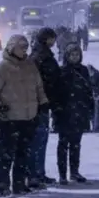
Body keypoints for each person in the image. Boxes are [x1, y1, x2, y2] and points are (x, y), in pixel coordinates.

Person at [0, 34, 48, 196]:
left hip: (29, 117)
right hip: (9, 118)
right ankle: (3, 184)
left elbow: (39, 88)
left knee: (23, 153)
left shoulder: (30, 66)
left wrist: (43, 102)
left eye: (26, 47)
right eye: (21, 47)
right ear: (12, 48)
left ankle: (19, 184)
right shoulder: (2, 68)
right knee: (6, 154)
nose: (24, 50)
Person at [57, 43, 95, 184]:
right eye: (72, 55)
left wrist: (90, 108)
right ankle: (62, 174)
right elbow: (57, 92)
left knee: (76, 144)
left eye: (77, 54)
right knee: (63, 144)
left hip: (80, 111)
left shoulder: (83, 70)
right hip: (65, 112)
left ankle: (74, 171)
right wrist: (58, 109)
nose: (75, 57)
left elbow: (88, 91)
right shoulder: (62, 71)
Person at [30, 27, 63, 185]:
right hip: (40, 104)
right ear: (47, 39)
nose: (54, 41)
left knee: (40, 140)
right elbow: (45, 80)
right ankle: (36, 173)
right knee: (39, 141)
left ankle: (38, 172)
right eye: (52, 38)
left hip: (42, 103)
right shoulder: (41, 56)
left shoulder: (40, 54)